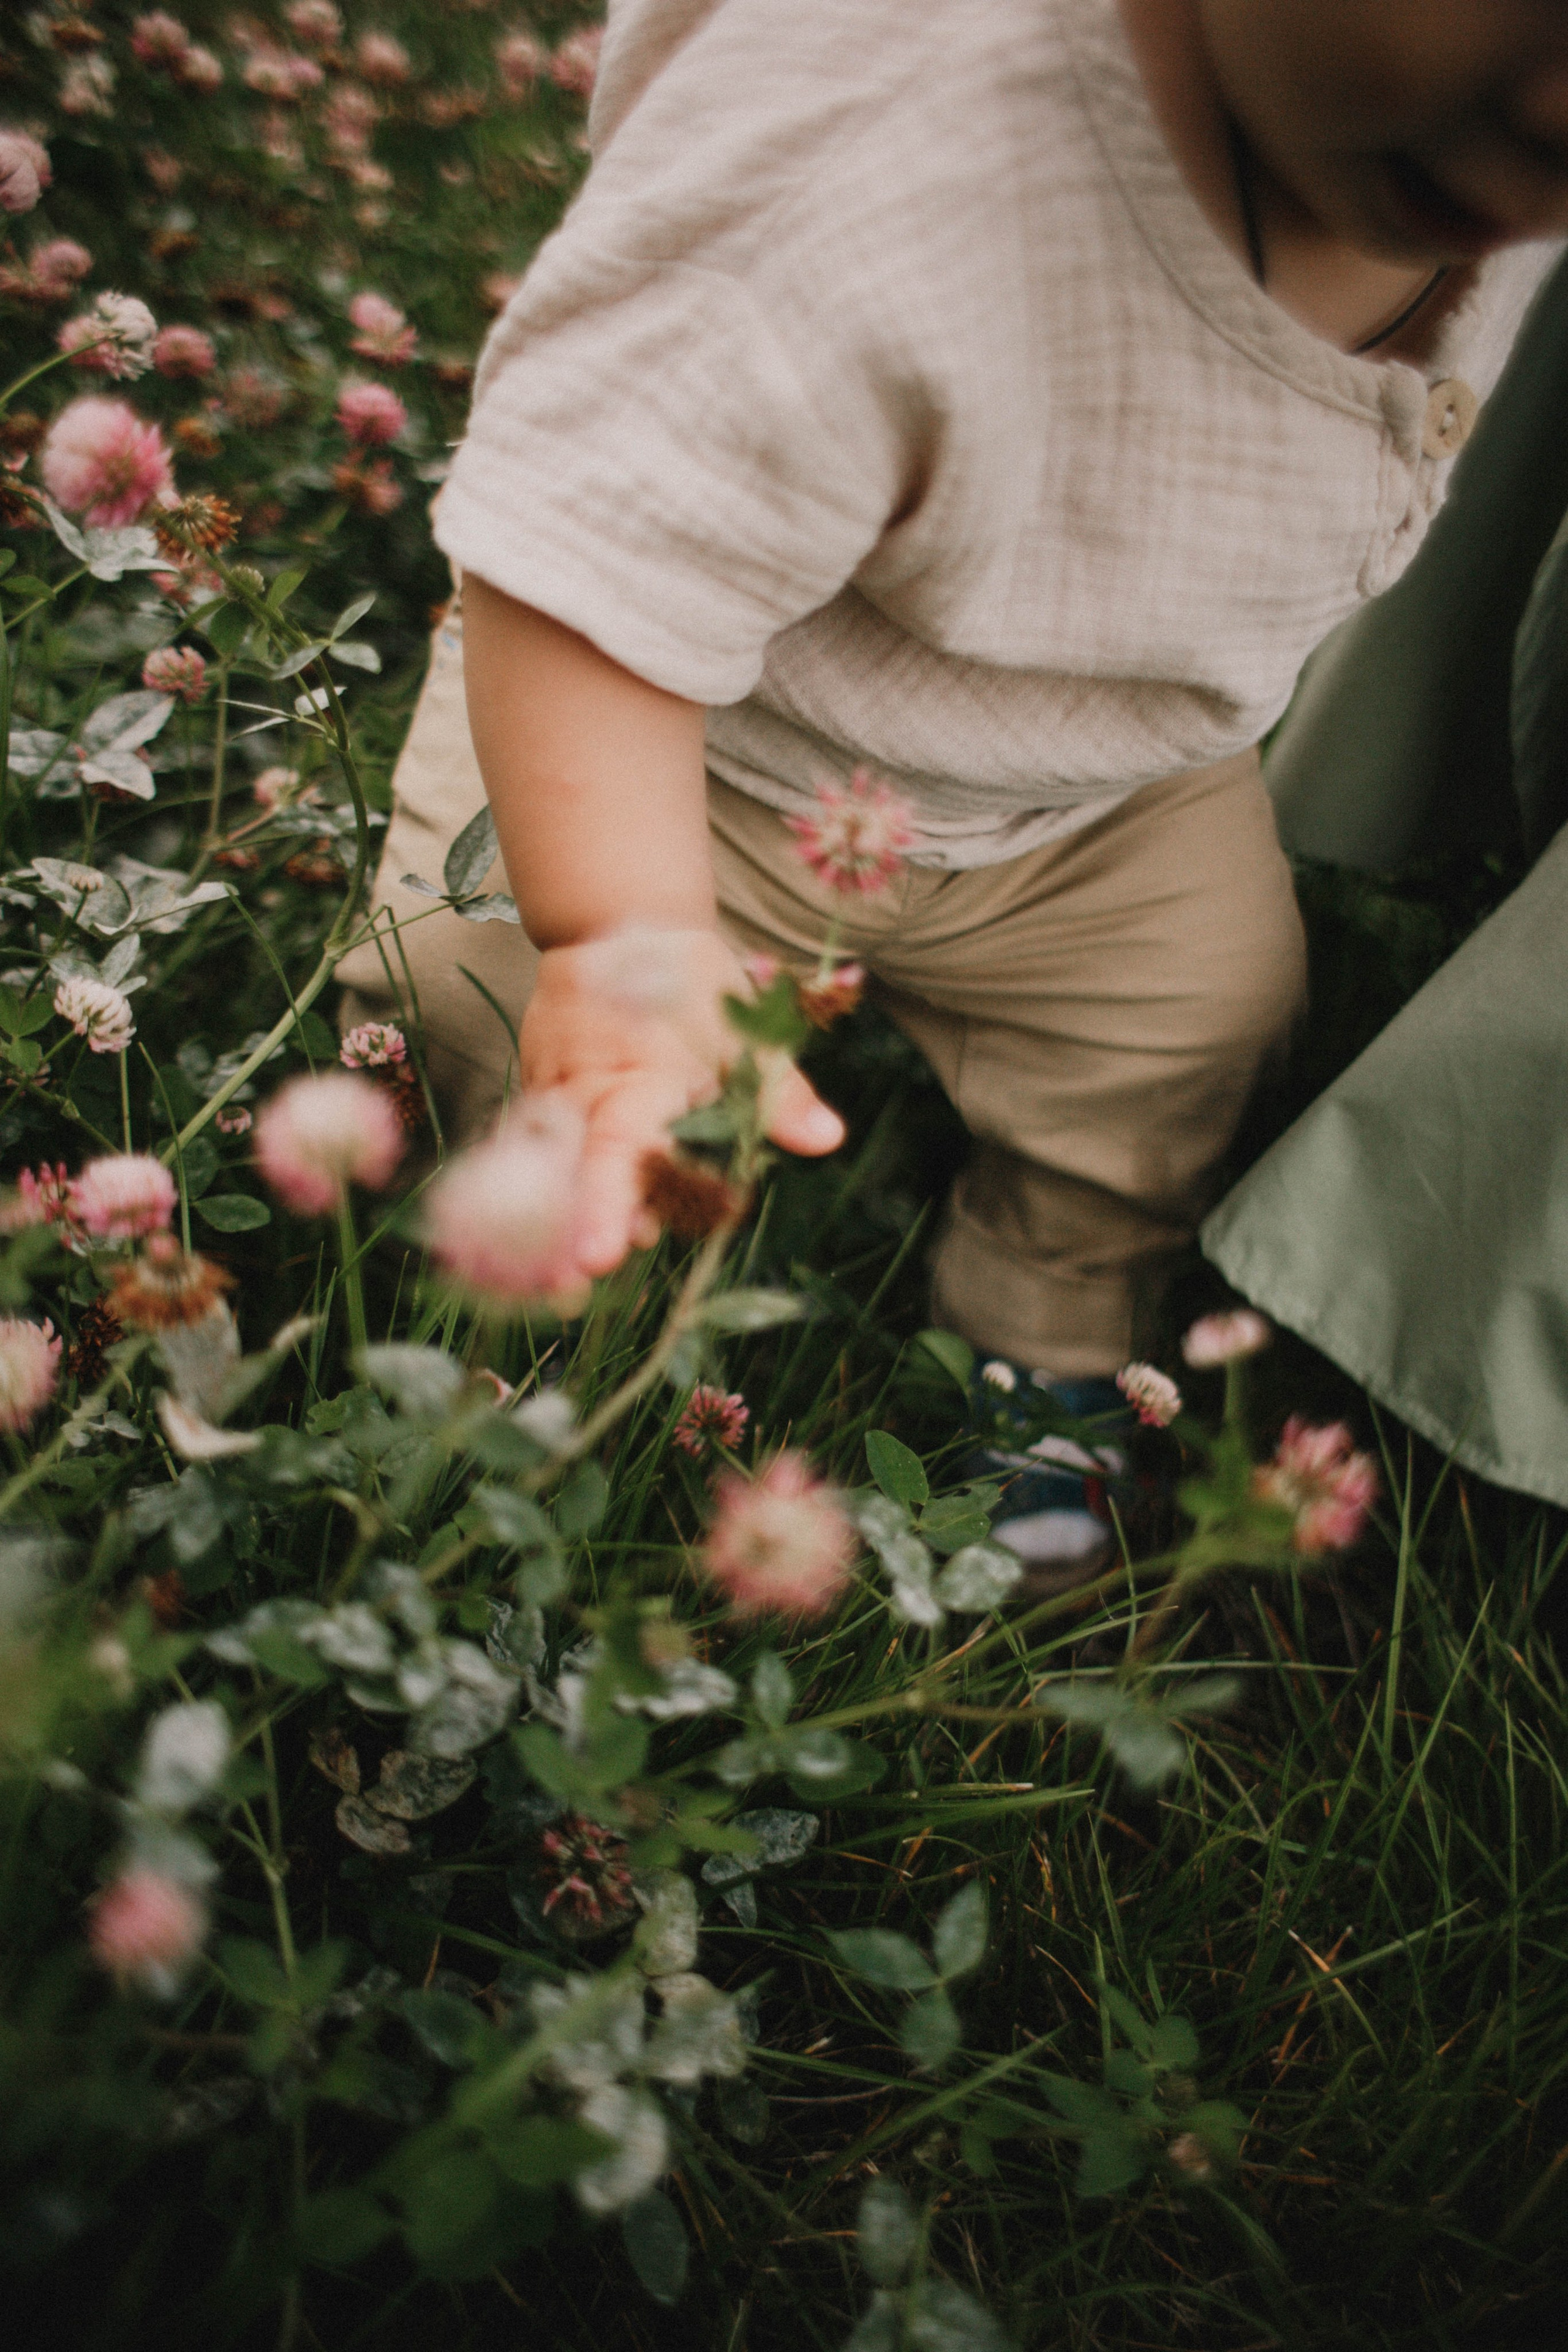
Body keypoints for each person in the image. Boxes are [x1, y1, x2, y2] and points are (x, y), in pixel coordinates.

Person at [337, 0, 1568, 1562]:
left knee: (1189, 1043)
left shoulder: (1466, 159)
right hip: (690, 735)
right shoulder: (884, 130)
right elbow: (589, 559)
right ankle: (530, 1327)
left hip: (1104, 792)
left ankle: (1046, 1346)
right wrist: (618, 933)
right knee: (481, 997)